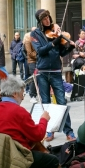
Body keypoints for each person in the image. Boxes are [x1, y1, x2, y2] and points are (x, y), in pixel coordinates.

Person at [31, 9, 76, 142]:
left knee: (62, 102)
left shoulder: (55, 32)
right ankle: (49, 130)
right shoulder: (35, 34)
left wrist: (69, 47)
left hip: (56, 71)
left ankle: (69, 131)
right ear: (40, 21)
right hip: (42, 72)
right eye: (44, 19)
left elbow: (61, 53)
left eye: (48, 18)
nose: (48, 21)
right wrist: (53, 43)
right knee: (46, 103)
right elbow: (40, 51)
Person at [24, 27, 37, 102]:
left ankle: (37, 94)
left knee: (39, 78)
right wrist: (39, 54)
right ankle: (32, 95)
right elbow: (30, 53)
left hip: (38, 60)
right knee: (33, 78)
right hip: (32, 61)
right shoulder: (28, 40)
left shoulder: (37, 39)